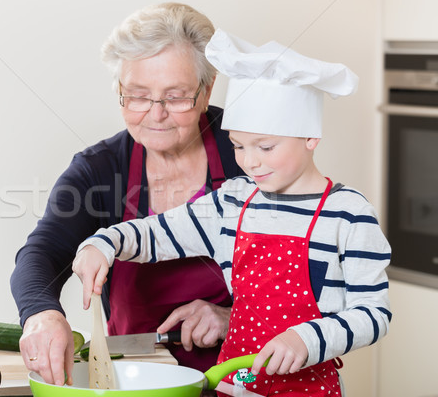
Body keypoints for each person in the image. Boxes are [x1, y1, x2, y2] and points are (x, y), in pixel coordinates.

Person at [72, 29, 391, 396]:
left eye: (266, 147)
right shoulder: (232, 202)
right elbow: (155, 234)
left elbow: (373, 313)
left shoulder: (347, 214)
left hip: (308, 387)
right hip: (237, 383)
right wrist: (104, 243)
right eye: (238, 146)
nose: (251, 162)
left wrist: (307, 339)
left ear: (310, 138)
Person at [10, 3, 244, 386]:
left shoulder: (250, 156)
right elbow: (42, 253)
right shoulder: (99, 170)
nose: (156, 114)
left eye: (176, 96)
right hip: (136, 380)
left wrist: (232, 317)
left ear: (206, 90)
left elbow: (311, 280)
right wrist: (43, 314)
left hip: (242, 374)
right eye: (137, 95)